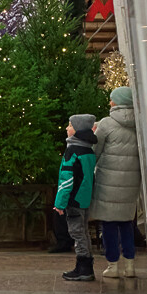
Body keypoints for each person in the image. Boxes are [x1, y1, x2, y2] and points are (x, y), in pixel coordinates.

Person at [92, 86, 142, 279]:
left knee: (109, 224)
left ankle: (113, 265)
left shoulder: (106, 123)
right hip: (131, 181)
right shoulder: (139, 124)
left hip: (108, 182)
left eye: (112, 99)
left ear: (117, 102)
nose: (110, 102)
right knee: (127, 223)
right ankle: (130, 265)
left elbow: (95, 151)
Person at [54, 114, 98, 282]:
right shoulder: (88, 149)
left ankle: (84, 268)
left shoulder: (72, 151)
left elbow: (67, 179)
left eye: (70, 125)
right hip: (85, 197)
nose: (67, 128)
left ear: (78, 129)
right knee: (84, 231)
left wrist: (60, 202)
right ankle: (86, 265)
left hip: (74, 199)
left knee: (77, 232)